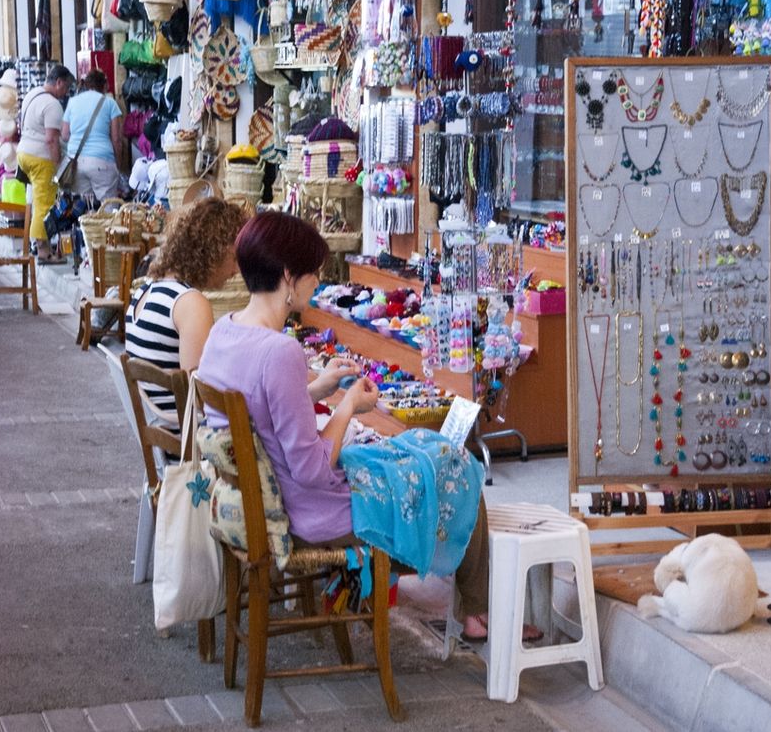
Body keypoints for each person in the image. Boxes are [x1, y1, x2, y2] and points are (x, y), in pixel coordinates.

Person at [196, 212, 529, 643]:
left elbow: (262, 410)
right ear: (287, 276)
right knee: (455, 466)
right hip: (311, 512)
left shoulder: (225, 331)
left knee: (426, 452)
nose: (317, 281)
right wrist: (348, 405)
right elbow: (313, 469)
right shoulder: (279, 352)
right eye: (313, 272)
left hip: (263, 500)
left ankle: (472, 604)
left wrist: (320, 387)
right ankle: (478, 611)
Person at [125, 197, 246, 417]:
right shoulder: (190, 303)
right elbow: (200, 394)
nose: (236, 271)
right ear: (213, 252)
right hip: (186, 439)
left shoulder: (148, 289)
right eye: (234, 259)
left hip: (162, 428)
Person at [15, 63, 74, 263]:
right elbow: (51, 140)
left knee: (36, 201)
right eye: (65, 88)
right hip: (40, 158)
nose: (65, 93)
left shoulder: (32, 95)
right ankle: (42, 251)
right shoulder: (52, 105)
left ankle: (36, 244)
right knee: (44, 204)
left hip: (23, 154)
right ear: (58, 83)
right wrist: (57, 166)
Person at [61, 69, 123, 200]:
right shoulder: (110, 103)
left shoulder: (72, 102)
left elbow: (65, 135)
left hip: (75, 162)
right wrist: (118, 165)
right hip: (102, 161)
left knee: (84, 209)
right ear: (105, 85)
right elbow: (117, 139)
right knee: (108, 209)